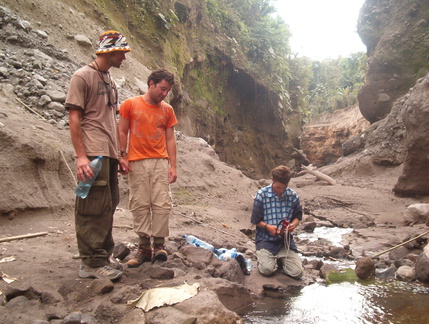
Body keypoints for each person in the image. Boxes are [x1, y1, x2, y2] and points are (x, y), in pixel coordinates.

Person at [65, 30, 130, 280]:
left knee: (109, 204)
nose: (124, 57)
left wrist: (120, 154)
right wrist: (81, 156)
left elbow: (110, 121)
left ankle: (102, 256)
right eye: (122, 52)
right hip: (92, 151)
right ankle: (90, 263)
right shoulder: (82, 77)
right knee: (91, 206)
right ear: (109, 51)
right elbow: (74, 118)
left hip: (109, 152)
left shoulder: (110, 81)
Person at [118, 68, 177, 267]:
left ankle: (159, 245)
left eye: (167, 90)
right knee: (140, 204)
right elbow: (122, 131)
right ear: (151, 84)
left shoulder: (167, 110)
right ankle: (144, 247)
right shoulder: (130, 105)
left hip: (160, 161)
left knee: (162, 203)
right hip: (136, 161)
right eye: (162, 89)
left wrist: (173, 166)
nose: (164, 94)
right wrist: (122, 156)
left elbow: (170, 138)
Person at [251, 165, 304, 279]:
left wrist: (293, 225)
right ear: (272, 180)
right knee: (267, 270)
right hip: (265, 239)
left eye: (283, 188)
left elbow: (297, 216)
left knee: (297, 273)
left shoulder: (292, 195)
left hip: (285, 241)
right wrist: (268, 227)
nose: (280, 190)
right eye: (278, 187)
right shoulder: (262, 195)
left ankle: (281, 260)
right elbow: (255, 220)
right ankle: (266, 258)